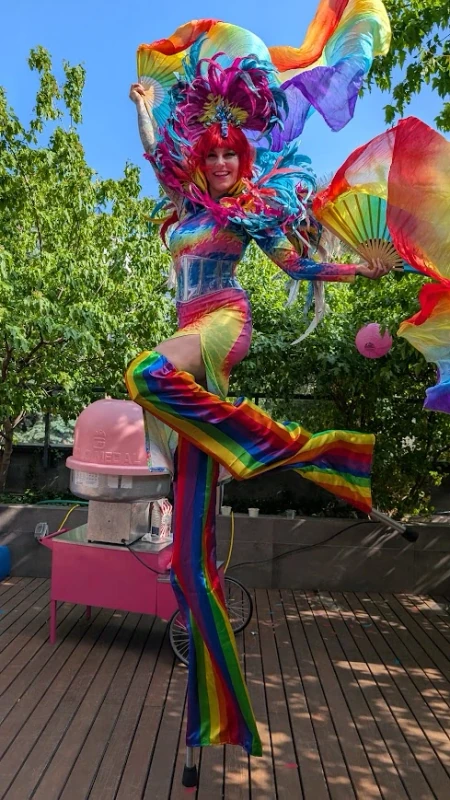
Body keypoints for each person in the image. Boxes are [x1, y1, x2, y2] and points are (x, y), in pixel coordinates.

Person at [125, 11, 392, 757]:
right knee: (188, 563)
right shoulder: (184, 205)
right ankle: (218, 718)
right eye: (209, 155)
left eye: (229, 156)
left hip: (219, 326)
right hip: (193, 339)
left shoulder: (250, 212)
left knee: (144, 373)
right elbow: (157, 158)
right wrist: (147, 109)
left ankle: (311, 450)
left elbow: (300, 268)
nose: (218, 165)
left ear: (244, 158)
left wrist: (355, 268)